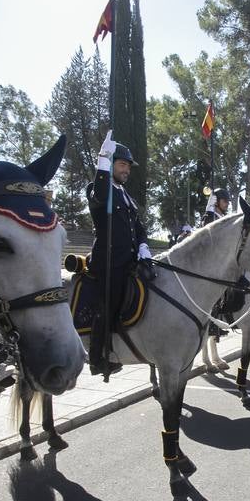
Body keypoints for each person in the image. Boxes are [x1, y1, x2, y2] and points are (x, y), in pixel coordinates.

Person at [87, 131, 152, 376]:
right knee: (109, 304)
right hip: (109, 263)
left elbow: (139, 226)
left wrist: (144, 246)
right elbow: (100, 197)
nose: (127, 170)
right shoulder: (99, 189)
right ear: (111, 165)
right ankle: (97, 357)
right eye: (122, 164)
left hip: (130, 260)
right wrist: (102, 160)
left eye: (128, 166)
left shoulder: (125, 195)